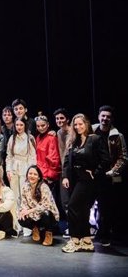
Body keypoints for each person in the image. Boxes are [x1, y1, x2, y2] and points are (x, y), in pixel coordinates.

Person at [61, 113, 110, 253]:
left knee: (72, 206)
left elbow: (105, 160)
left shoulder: (94, 139)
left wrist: (94, 172)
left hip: (88, 180)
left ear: (86, 124)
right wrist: (65, 176)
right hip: (75, 179)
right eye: (75, 125)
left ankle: (75, 239)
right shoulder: (73, 141)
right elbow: (66, 161)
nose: (77, 127)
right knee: (81, 210)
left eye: (80, 124)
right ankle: (87, 240)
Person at [92, 105, 126, 247]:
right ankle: (93, 231)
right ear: (99, 116)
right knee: (91, 205)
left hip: (108, 176)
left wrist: (113, 171)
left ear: (111, 119)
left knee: (106, 207)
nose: (105, 119)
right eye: (103, 116)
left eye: (108, 116)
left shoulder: (117, 135)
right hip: (93, 174)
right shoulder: (91, 130)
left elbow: (123, 157)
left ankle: (105, 234)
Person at [19, 165, 59, 246]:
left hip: (48, 215)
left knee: (46, 213)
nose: (32, 176)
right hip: (34, 215)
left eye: (35, 174)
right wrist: (23, 211)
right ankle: (35, 229)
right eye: (30, 173)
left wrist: (29, 211)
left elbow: (45, 205)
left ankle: (48, 234)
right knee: (20, 216)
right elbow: (23, 203)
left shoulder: (43, 187)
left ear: (39, 177)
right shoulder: (25, 186)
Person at [6, 118, 37, 207]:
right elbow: (9, 156)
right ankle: (16, 217)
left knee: (25, 193)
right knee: (14, 194)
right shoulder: (12, 138)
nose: (19, 127)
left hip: (25, 167)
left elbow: (33, 156)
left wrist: (31, 172)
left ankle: (25, 216)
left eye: (21, 125)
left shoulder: (30, 138)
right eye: (17, 125)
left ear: (25, 126)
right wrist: (8, 170)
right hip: (13, 168)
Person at [34, 115, 61, 195]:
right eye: (38, 126)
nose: (40, 128)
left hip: (47, 176)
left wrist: (50, 176)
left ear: (48, 125)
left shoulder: (51, 138)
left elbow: (54, 159)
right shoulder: (38, 137)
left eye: (43, 125)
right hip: (39, 173)